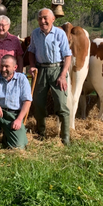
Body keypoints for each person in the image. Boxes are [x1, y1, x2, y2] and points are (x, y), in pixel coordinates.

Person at [28, 8, 72, 145]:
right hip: (40, 70)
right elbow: (31, 51)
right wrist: (32, 65)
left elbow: (67, 55)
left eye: (45, 18)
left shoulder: (60, 34)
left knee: (61, 104)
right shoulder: (35, 33)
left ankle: (65, 138)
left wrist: (63, 75)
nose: (42, 21)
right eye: (40, 18)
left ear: (53, 19)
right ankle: (41, 133)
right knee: (38, 103)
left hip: (57, 70)